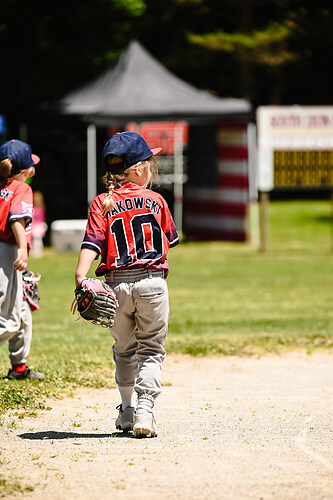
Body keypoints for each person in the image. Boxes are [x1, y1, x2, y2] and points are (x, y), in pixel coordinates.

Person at [75, 132, 179, 438]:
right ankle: (145, 410)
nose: (151, 168)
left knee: (124, 349)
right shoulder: (157, 200)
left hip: (115, 286)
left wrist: (81, 277)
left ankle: (126, 410)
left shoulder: (102, 202)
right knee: (151, 349)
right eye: (149, 163)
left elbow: (92, 243)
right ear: (137, 169)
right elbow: (170, 239)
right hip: (152, 283)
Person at [0, 139, 44, 380]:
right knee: (9, 322)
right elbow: (17, 219)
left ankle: (18, 368)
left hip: (6, 253)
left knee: (23, 311)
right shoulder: (22, 188)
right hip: (8, 251)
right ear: (26, 171)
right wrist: (23, 249)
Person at [31, 190, 47, 257]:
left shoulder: (34, 210)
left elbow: (33, 219)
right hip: (40, 225)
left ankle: (36, 251)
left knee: (36, 240)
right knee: (38, 239)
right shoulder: (42, 208)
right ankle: (37, 251)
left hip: (36, 226)